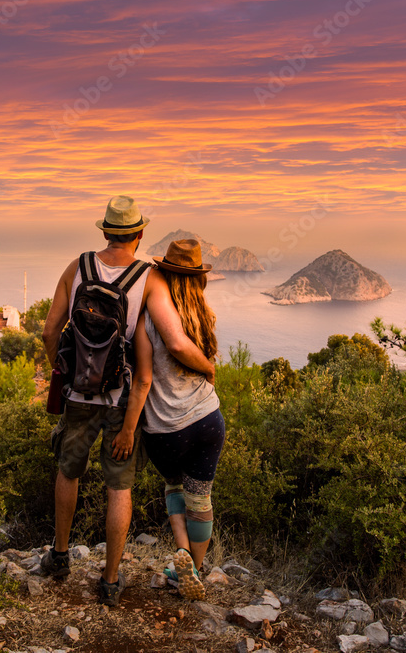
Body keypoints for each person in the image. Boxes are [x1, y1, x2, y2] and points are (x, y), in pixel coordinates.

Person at [40, 196, 216, 607]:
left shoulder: (78, 266)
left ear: (103, 231)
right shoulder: (148, 278)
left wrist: (63, 374)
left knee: (69, 472)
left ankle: (61, 556)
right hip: (122, 398)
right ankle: (111, 581)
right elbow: (173, 340)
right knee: (119, 488)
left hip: (79, 394)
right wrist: (208, 367)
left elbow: (50, 332)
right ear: (139, 234)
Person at [110, 239, 224, 601]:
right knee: (200, 496)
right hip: (208, 418)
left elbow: (143, 381)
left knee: (174, 488)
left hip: (165, 429)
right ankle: (193, 568)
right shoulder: (205, 315)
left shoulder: (147, 321)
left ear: (165, 275)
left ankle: (182, 560)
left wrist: (128, 430)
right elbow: (202, 360)